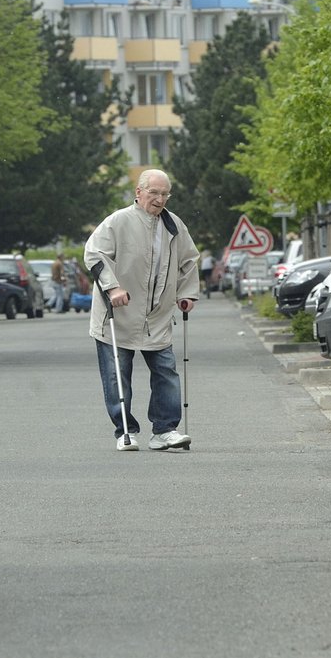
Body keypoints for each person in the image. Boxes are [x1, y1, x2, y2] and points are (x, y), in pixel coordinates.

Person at [84, 168, 200, 451]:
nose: (159, 200)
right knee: (117, 377)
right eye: (154, 193)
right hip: (118, 313)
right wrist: (113, 288)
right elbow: (94, 254)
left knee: (166, 372)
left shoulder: (174, 226)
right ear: (139, 193)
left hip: (157, 316)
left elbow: (189, 261)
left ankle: (165, 430)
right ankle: (125, 432)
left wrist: (187, 294)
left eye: (164, 194)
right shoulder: (118, 222)